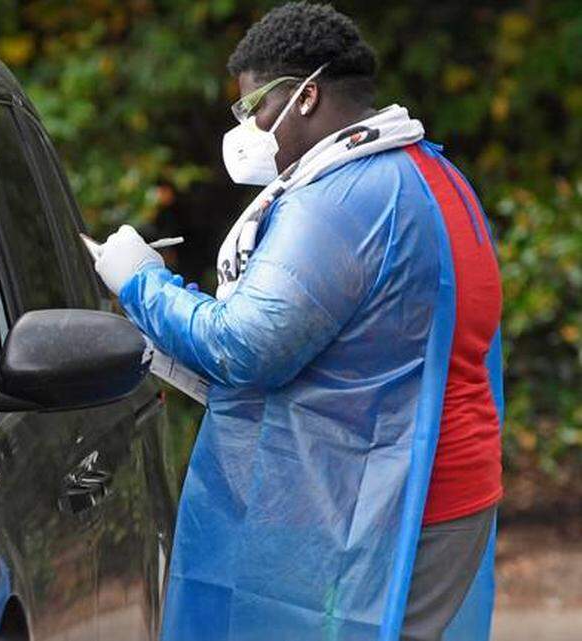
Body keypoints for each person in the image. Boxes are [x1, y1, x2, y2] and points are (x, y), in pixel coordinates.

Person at [93, 3, 503, 641]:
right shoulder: (430, 172)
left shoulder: (346, 197)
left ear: (306, 96)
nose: (249, 129)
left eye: (253, 107)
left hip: (398, 499)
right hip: (437, 488)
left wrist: (141, 283)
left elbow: (245, 347)